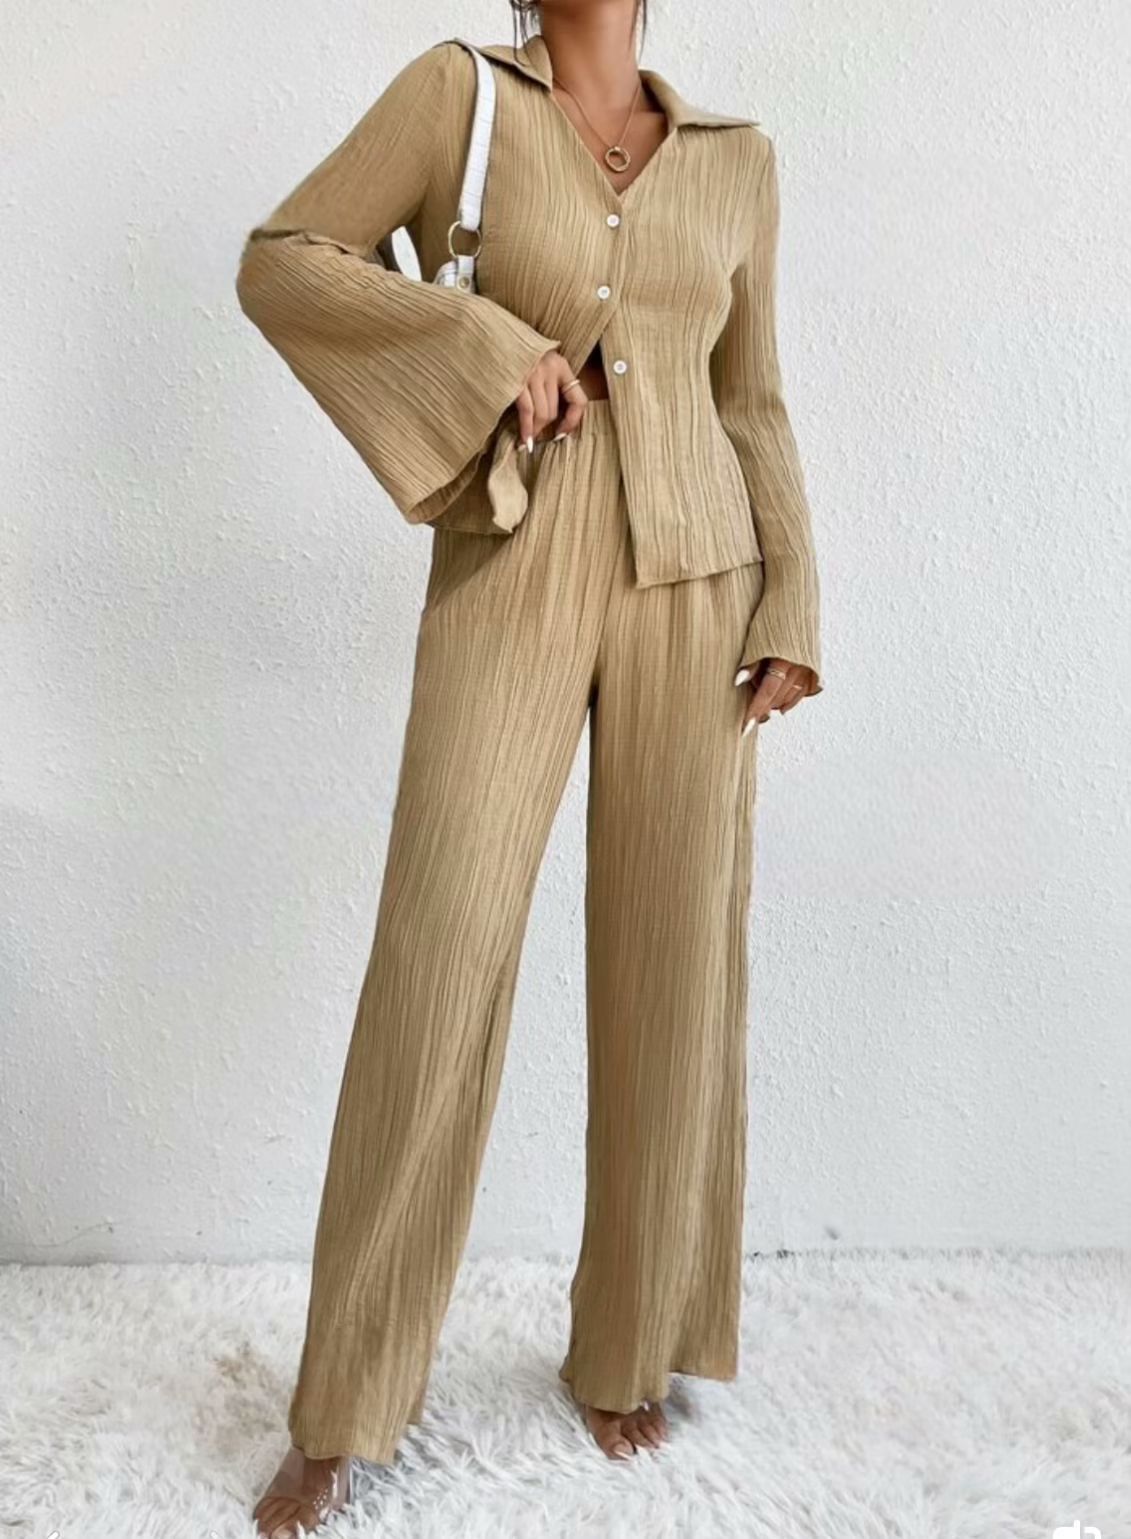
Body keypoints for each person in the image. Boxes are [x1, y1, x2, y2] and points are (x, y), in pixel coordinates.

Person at [235, 1, 822, 1532]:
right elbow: (287, 259)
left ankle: (627, 1348)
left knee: (675, 965)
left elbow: (752, 395)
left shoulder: (738, 158)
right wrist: (491, 346)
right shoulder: (462, 97)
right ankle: (343, 1405)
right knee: (439, 957)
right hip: (518, 547)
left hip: (705, 573)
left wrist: (794, 605)